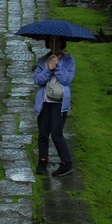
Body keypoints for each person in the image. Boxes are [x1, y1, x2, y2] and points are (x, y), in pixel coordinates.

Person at [33, 35, 74, 177]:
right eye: (51, 41)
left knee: (56, 133)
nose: (54, 44)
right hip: (44, 102)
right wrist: (48, 68)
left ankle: (66, 163)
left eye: (56, 41)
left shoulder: (68, 60)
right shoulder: (43, 60)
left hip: (59, 103)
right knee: (43, 133)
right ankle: (42, 161)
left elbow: (67, 80)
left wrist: (57, 67)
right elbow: (37, 80)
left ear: (62, 42)